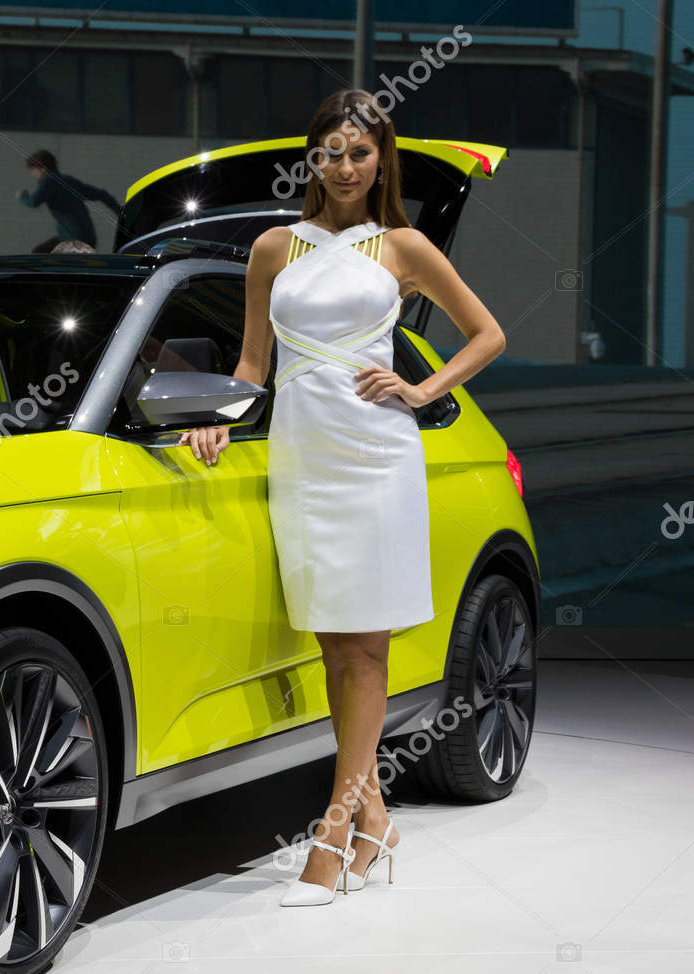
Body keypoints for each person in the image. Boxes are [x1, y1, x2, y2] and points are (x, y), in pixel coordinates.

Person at [176, 90, 506, 907]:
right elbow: (253, 362)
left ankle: (331, 833)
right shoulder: (273, 248)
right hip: (303, 456)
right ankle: (377, 819)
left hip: (374, 456)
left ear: (380, 159)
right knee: (333, 648)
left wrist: (421, 388)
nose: (345, 165)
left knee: (365, 651)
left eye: (360, 152)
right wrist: (215, 417)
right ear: (312, 158)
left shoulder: (403, 245)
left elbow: (488, 333)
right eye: (331, 151)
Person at [17, 150, 121, 253]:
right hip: (88, 237)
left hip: (73, 240)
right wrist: (120, 213)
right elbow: (102, 195)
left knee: (39, 252)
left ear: (43, 169)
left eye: (33, 170)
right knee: (44, 251)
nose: (32, 175)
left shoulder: (48, 182)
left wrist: (23, 196)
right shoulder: (70, 181)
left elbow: (33, 202)